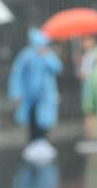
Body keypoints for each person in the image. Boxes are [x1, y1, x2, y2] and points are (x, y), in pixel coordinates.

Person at [9, 28, 63, 163]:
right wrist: (17, 92)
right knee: (32, 118)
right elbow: (17, 73)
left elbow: (57, 68)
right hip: (30, 96)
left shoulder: (48, 55)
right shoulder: (26, 55)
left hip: (46, 96)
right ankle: (33, 143)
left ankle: (44, 142)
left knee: (45, 119)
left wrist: (47, 56)